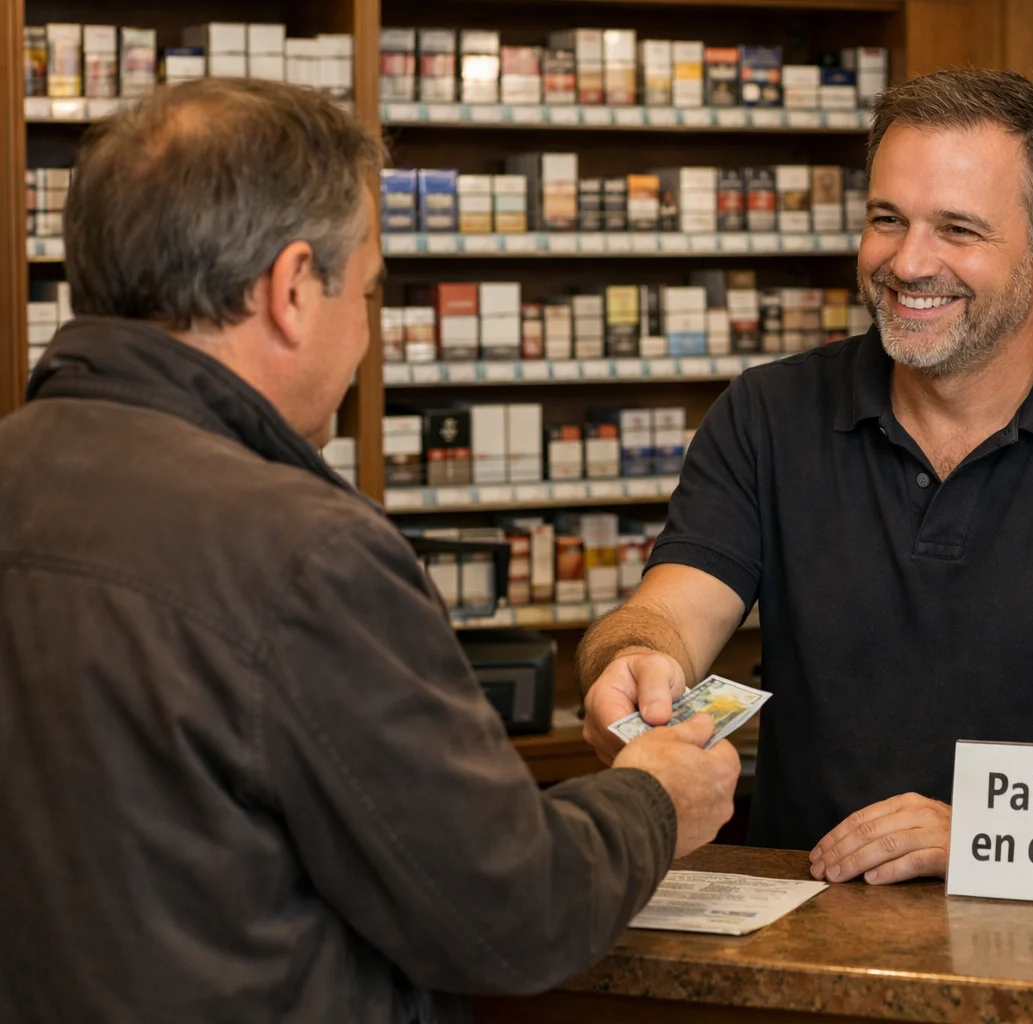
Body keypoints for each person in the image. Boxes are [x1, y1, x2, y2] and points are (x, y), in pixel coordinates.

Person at [0, 79, 739, 1024]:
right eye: (368, 289)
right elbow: (507, 910)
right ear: (291, 290)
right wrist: (655, 801)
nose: (365, 332)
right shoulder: (302, 553)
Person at [577, 68, 1033, 887]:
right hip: (806, 929)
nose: (907, 261)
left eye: (957, 229)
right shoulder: (768, 414)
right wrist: (635, 660)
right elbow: (668, 613)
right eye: (887, 219)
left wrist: (998, 837)